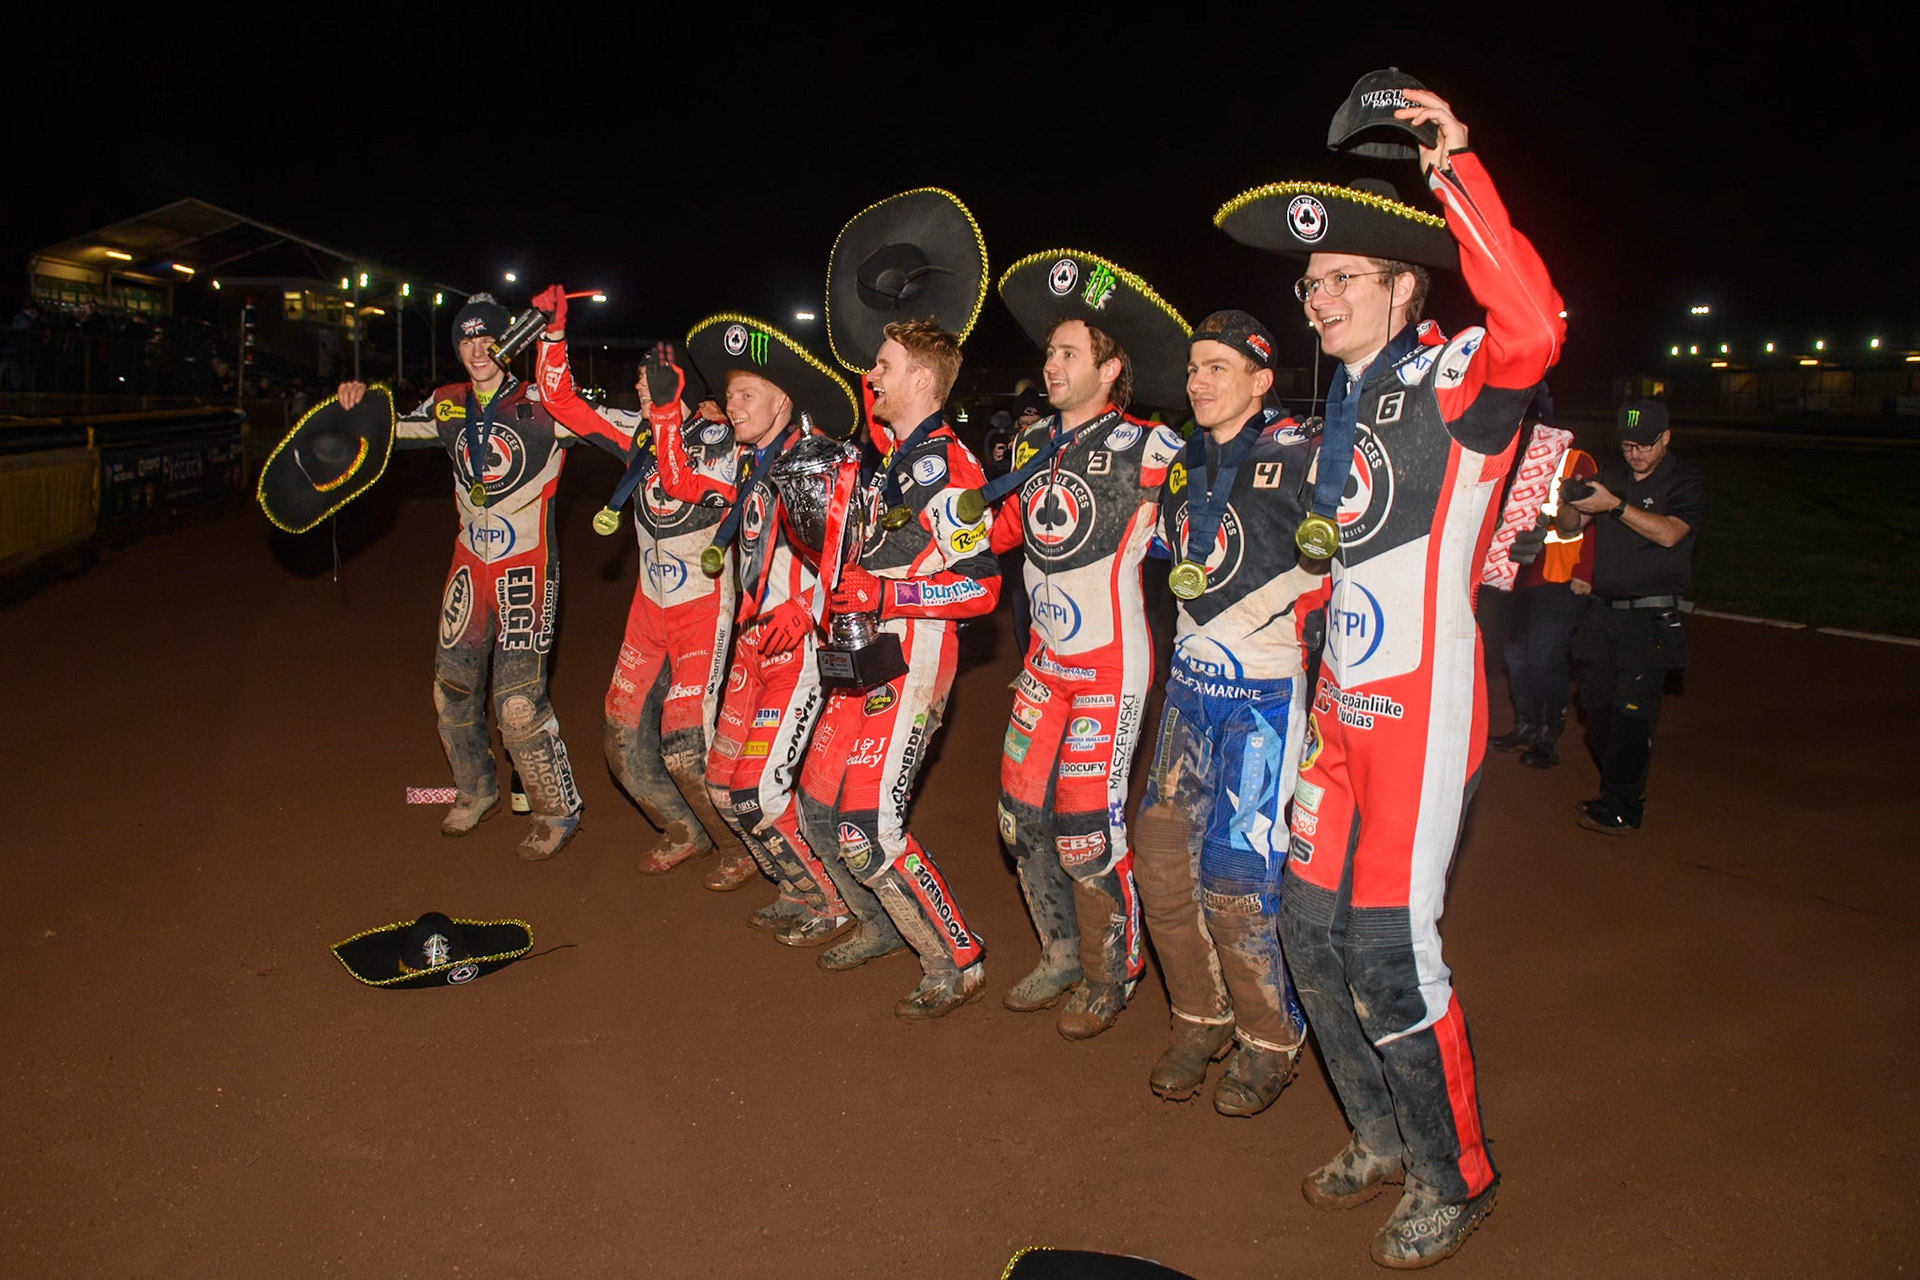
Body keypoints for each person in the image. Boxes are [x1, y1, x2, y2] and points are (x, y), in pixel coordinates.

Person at [1219, 89, 1565, 1267]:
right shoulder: (1346, 401)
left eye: (1345, 278)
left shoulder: (1457, 375)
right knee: (1309, 935)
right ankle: (1375, 1132)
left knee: (1387, 954)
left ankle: (1455, 1173)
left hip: (1422, 718)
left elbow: (1536, 326)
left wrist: (1458, 174)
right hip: (1338, 720)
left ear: (1406, 287)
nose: (1319, 296)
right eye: (1311, 284)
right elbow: (1345, 560)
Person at [338, 287, 632, 860]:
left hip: (528, 567)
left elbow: (630, 426)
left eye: (487, 335)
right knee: (450, 692)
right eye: (466, 337)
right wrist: (355, 407)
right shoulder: (446, 403)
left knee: (518, 704)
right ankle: (475, 790)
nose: (477, 347)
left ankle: (557, 810)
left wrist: (692, 413)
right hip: (468, 569)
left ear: (510, 340)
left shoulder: (548, 404)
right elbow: (384, 434)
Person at [986, 251, 1189, 1040]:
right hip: (1043, 666)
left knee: (1083, 828)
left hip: (1110, 667)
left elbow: (1196, 538)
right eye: (1049, 352)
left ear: (1111, 368)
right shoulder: (1034, 443)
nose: (1051, 364)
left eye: (1069, 352)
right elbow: (1000, 534)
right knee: (1015, 818)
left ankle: (1115, 968)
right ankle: (1062, 950)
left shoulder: (1153, 447)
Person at [1135, 310, 1323, 1115]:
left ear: (1261, 378)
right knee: (1161, 861)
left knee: (1236, 875)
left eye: (1218, 368)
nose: (1200, 383)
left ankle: (1271, 1037)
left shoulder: (1304, 450)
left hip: (1264, 698)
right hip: (1187, 692)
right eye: (1192, 369)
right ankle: (1199, 1015)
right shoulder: (1181, 460)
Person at [795, 318, 1000, 1017]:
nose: (871, 376)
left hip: (913, 662)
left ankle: (958, 955)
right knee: (816, 806)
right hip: (867, 659)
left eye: (883, 365)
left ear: (920, 378)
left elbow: (982, 584)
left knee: (865, 828)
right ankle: (881, 925)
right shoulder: (898, 457)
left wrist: (889, 593)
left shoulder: (943, 464)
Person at [535, 337, 753, 880]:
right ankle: (685, 829)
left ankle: (740, 847)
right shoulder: (637, 433)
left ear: (677, 382)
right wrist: (553, 339)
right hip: (649, 609)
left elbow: (688, 486)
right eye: (638, 376)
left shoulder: (719, 437)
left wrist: (666, 415)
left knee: (684, 746)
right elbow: (563, 403)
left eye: (648, 376)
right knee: (619, 736)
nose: (637, 383)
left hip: (703, 607)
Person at [684, 314, 868, 924]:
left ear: (782, 400)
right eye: (729, 395)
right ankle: (796, 885)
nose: (732, 406)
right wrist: (667, 417)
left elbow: (854, 552)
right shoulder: (746, 460)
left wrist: (807, 603)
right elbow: (678, 478)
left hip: (801, 644)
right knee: (719, 782)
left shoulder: (814, 462)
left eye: (746, 395)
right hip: (752, 642)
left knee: (755, 790)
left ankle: (835, 903)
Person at [1565, 398, 1706, 834]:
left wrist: (1616, 507)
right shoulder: (1611, 478)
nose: (1635, 454)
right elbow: (1570, 528)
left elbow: (1668, 535)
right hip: (1602, 614)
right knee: (1596, 709)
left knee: (1632, 715)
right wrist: (1571, 500)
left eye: (1644, 445)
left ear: (1666, 438)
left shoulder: (1685, 482)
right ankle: (1617, 787)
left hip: (1649, 620)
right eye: (1627, 445)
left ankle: (1623, 803)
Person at [1487, 397, 1597, 768]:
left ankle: (1548, 735)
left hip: (1558, 575)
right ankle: (1525, 726)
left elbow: (1591, 521)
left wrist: (1584, 572)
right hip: (1516, 579)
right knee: (1516, 657)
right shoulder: (1507, 457)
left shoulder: (1574, 459)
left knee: (1544, 658)